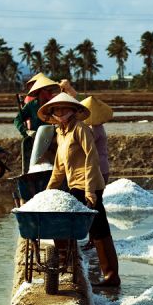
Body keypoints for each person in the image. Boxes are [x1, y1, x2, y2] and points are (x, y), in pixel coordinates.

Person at [38, 93, 121, 287]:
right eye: (56, 109)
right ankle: (69, 264)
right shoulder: (61, 133)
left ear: (73, 111)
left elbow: (91, 159)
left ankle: (110, 275)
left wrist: (90, 191)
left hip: (89, 185)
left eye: (64, 109)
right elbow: (59, 166)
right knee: (86, 226)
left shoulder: (81, 129)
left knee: (97, 228)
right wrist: (48, 192)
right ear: (52, 113)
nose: (60, 112)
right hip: (74, 185)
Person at [80, 96, 113, 250]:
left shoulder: (93, 130)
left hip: (97, 169)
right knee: (96, 204)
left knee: (93, 205)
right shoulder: (99, 127)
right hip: (103, 168)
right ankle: (96, 238)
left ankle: (95, 239)